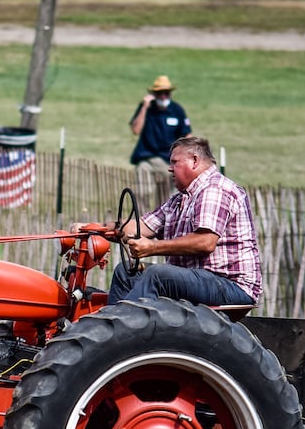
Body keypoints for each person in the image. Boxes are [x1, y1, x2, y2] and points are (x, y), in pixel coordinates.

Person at [90, 134, 263, 308]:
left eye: (174, 162)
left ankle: (122, 327)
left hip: (230, 284)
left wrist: (152, 248)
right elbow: (139, 228)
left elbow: (205, 242)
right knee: (124, 272)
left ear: (194, 160)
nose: (169, 168)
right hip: (200, 281)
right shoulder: (179, 200)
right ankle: (113, 326)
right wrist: (94, 229)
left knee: (157, 274)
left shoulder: (215, 189)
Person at [129, 75, 193, 201]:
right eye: (159, 93)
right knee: (142, 194)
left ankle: (162, 220)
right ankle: (140, 219)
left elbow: (187, 135)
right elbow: (136, 130)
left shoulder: (177, 110)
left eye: (166, 93)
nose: (163, 96)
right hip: (147, 159)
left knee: (167, 197)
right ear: (153, 94)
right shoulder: (147, 108)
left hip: (168, 160)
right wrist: (144, 107)